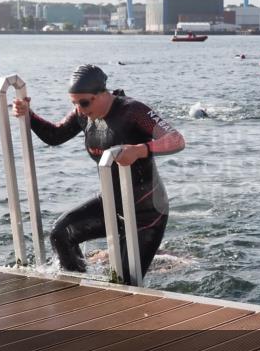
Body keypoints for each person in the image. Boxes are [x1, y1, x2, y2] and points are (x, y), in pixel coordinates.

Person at [11, 64, 184, 280]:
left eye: (84, 102)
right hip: (111, 203)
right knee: (60, 234)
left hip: (146, 213)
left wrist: (141, 150)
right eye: (74, 103)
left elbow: (176, 139)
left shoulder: (133, 111)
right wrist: (29, 116)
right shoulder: (84, 115)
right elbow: (55, 136)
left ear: (103, 93)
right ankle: (79, 291)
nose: (80, 109)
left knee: (123, 281)